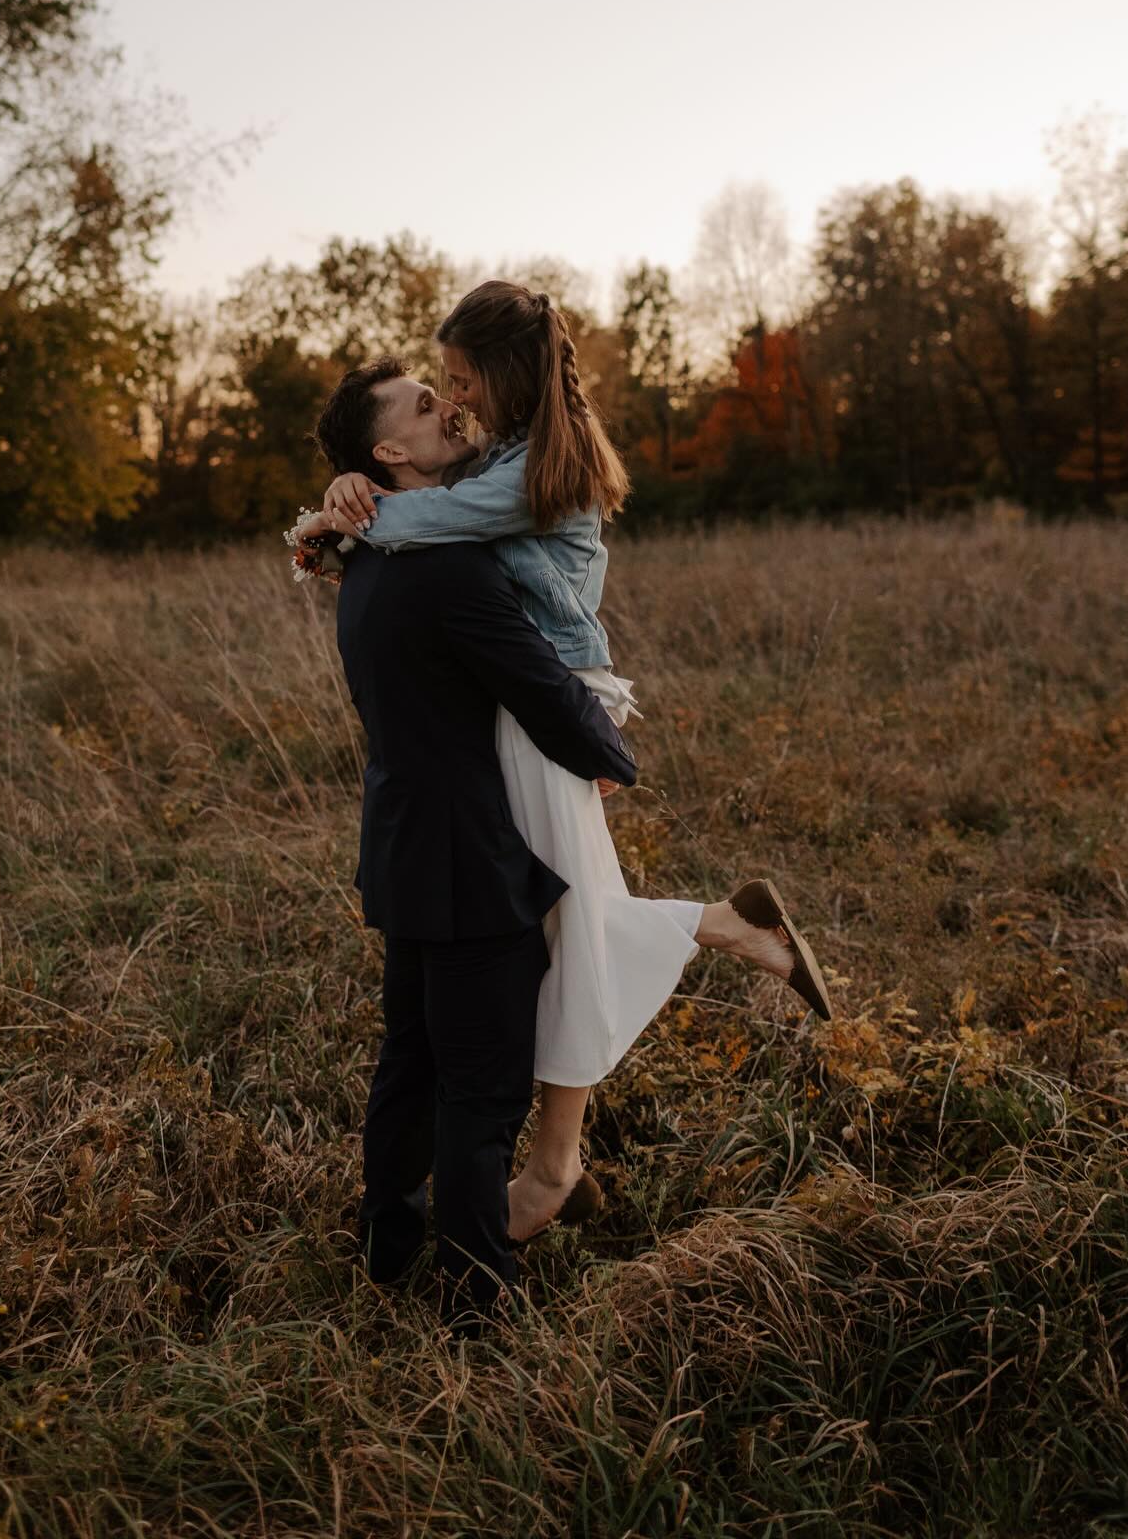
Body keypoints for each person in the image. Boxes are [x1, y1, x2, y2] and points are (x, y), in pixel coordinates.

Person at [301, 283, 834, 1248]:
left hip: (546, 711)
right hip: (527, 712)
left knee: (568, 927)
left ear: (503, 375)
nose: (453, 400)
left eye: (457, 382)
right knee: (561, 922)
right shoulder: (504, 452)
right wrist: (351, 497)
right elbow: (426, 526)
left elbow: (423, 530)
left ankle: (553, 1165)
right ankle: (710, 942)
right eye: (438, 391)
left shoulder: (538, 465)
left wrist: (338, 512)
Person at [311, 360, 640, 1335]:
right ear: (390, 455)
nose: (445, 407)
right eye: (423, 405)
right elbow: (541, 687)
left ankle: (387, 1241)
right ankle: (477, 1310)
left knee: (409, 1059)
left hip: (404, 848)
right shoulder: (446, 569)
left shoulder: (366, 560)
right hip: (469, 867)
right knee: (481, 1093)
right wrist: (612, 754)